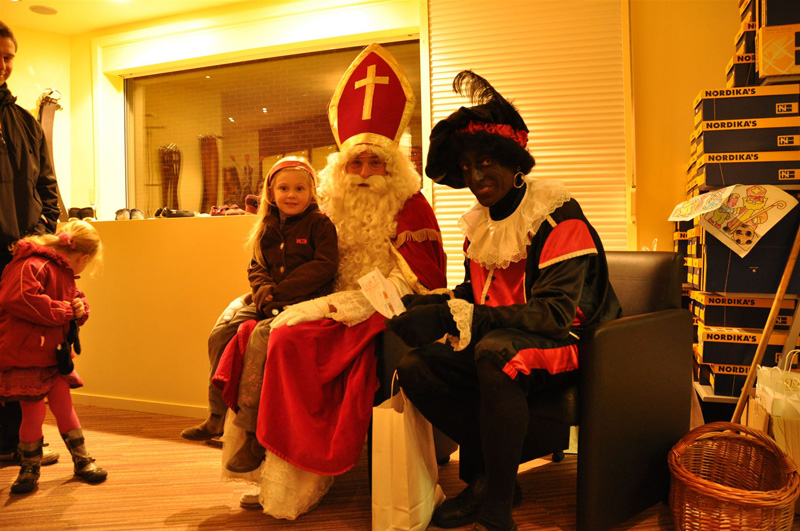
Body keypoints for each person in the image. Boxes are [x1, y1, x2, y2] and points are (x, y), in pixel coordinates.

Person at [220, 43, 447, 518]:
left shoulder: (412, 207)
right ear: (340, 170)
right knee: (243, 333)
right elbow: (296, 260)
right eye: (354, 164)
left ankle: (300, 477)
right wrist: (273, 296)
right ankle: (264, 464)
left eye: (374, 163)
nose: (363, 173)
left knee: (288, 343)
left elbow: (418, 280)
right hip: (320, 301)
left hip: (379, 310)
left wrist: (338, 306)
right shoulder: (327, 208)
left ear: (393, 166)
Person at [387, 71, 622, 531]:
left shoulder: (556, 216)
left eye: (487, 162)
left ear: (515, 162)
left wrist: (457, 315)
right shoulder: (480, 224)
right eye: (468, 167)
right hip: (510, 333)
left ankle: (494, 502)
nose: (477, 176)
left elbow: (555, 313)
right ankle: (496, 480)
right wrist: (427, 305)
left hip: (574, 338)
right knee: (416, 366)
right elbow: (478, 294)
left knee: (494, 354)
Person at [182, 157, 337, 453]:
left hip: (303, 302)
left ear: (312, 191)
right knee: (220, 333)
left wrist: (279, 292)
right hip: (266, 298)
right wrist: (263, 288)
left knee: (259, 339)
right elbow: (256, 264)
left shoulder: (320, 224)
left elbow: (324, 266)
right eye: (284, 188)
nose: (291, 195)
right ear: (271, 191)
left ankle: (251, 431)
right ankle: (216, 415)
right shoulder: (266, 225)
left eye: (299, 189)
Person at [0, 220, 108, 494]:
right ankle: (29, 468)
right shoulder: (32, 265)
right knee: (33, 413)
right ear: (82, 257)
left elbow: (74, 298)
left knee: (64, 407)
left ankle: (82, 460)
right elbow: (19, 299)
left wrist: (81, 308)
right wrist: (65, 311)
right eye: (86, 264)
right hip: (28, 355)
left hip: (53, 354)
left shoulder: (59, 269)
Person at [0, 20, 62, 469]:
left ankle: (17, 446)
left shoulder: (23, 121)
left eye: (8, 57)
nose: (4, 65)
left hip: (22, 260)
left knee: (21, 355)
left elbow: (47, 185)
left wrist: (40, 238)